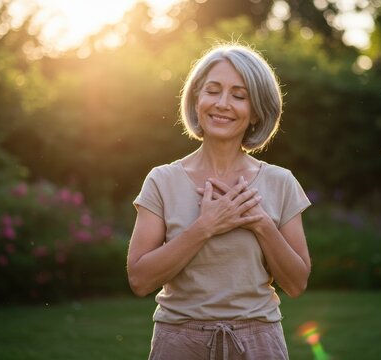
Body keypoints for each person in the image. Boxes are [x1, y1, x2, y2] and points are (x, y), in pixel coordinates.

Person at [127, 43, 312, 360]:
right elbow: (139, 280)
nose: (223, 104)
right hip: (179, 342)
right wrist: (205, 226)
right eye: (213, 91)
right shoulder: (162, 180)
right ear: (197, 99)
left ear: (256, 111)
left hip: (258, 342)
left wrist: (260, 222)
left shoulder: (279, 182)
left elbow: (296, 284)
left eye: (239, 96)